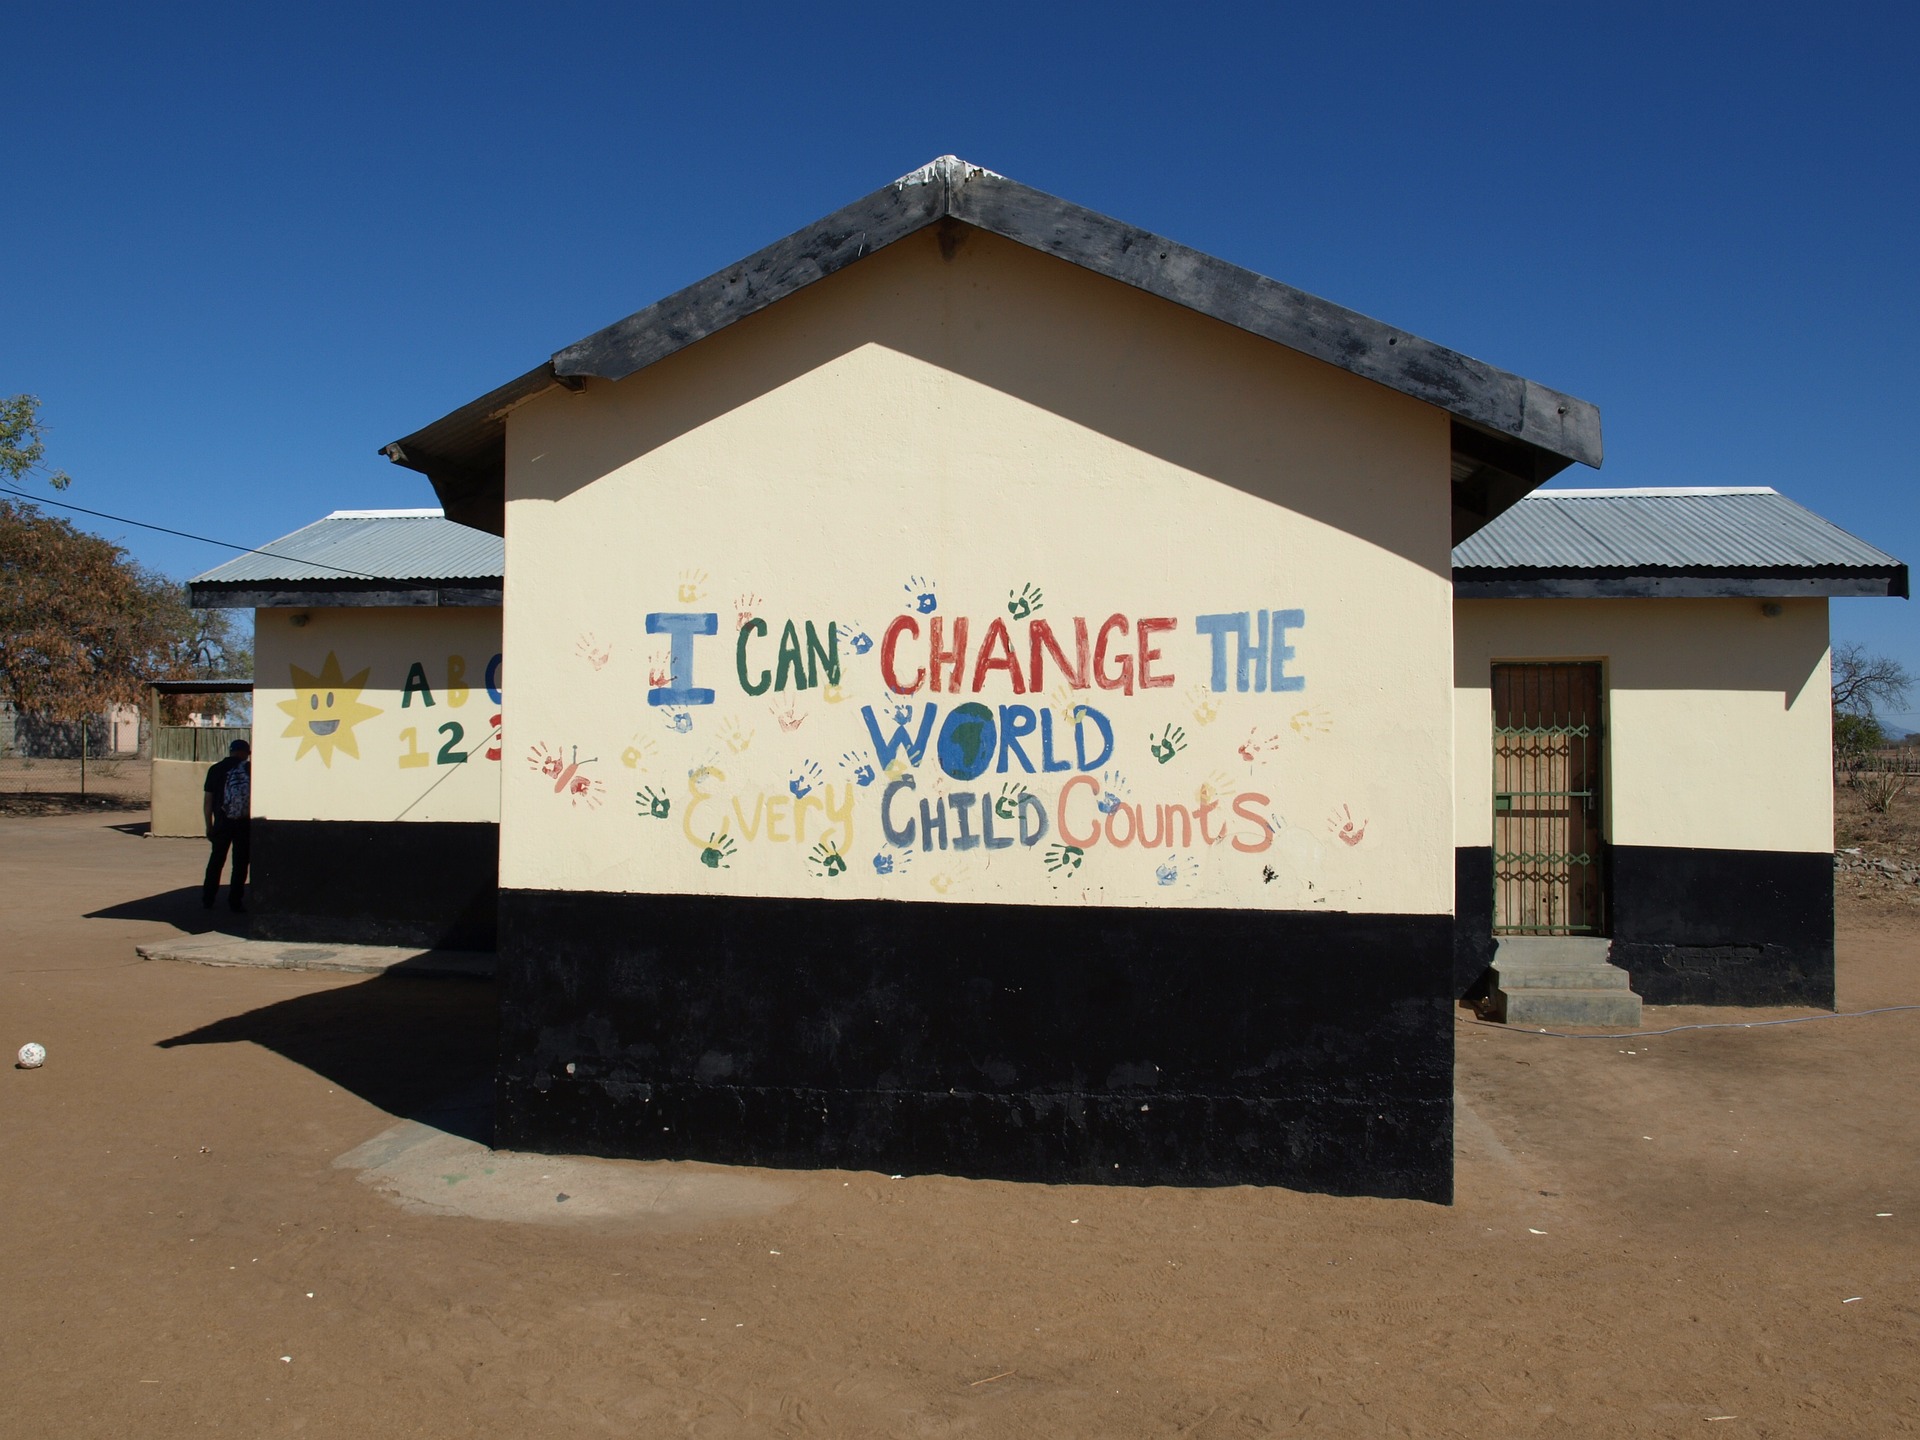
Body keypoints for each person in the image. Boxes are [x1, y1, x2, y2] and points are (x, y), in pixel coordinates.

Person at [202, 738, 251, 912]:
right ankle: (235, 901)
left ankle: (208, 898)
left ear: (230, 751)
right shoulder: (249, 769)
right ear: (246, 752)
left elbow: (208, 801)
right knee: (240, 863)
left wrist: (209, 825)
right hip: (244, 824)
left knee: (216, 861)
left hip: (222, 823)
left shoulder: (215, 770)